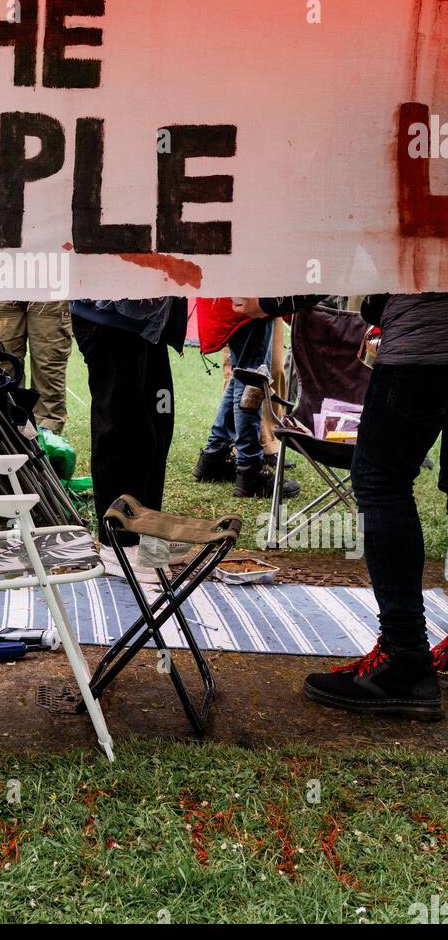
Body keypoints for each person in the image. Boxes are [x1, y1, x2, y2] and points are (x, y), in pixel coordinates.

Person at [234, 293, 448, 722]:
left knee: (380, 479)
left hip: (427, 340)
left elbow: (353, 238)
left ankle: (404, 660)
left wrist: (274, 300)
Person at [70, 297, 187, 570]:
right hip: (109, 318)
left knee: (155, 433)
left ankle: (146, 534)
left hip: (149, 323)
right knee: (121, 430)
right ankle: (117, 542)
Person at [194, 298, 298, 498]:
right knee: (252, 376)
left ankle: (214, 455)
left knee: (242, 374)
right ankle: (250, 469)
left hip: (235, 300)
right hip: (249, 300)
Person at [0, 301, 71, 433]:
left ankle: (46, 437)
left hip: (49, 290)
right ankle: (7, 433)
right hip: (3, 287)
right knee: (3, 365)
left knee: (49, 368)